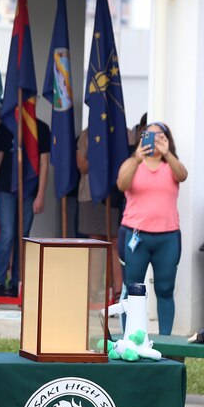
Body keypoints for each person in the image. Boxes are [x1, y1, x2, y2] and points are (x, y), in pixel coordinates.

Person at [116, 121, 188, 335]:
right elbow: (122, 184)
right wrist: (137, 159)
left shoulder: (172, 166)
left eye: (160, 137)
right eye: (149, 136)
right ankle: (131, 337)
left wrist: (168, 154)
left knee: (165, 289)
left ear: (167, 140)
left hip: (167, 237)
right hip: (135, 236)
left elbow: (182, 175)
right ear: (141, 138)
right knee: (133, 290)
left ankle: (165, 341)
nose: (154, 141)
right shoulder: (131, 164)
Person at [0, 116, 50, 297]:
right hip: (5, 187)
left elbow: (44, 163)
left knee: (22, 236)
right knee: (7, 233)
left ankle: (17, 283)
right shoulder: (6, 125)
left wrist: (41, 194)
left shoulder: (41, 127)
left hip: (30, 189)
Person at [76, 127, 123, 297]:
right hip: (91, 194)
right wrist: (103, 158)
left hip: (116, 195)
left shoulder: (121, 128)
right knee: (95, 242)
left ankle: (118, 289)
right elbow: (82, 165)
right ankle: (94, 292)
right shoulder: (87, 134)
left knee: (116, 241)